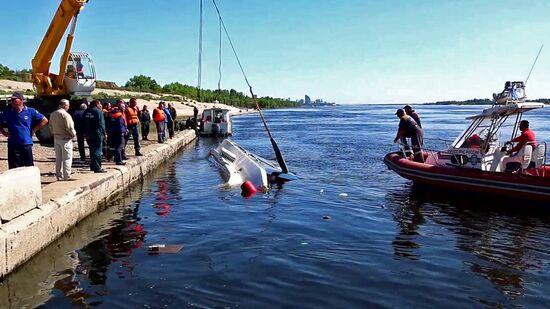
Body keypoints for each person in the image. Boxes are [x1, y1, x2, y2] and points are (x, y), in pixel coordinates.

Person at [0, 92, 48, 169]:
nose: (12, 102)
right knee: (14, 168)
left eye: (14, 100)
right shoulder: (8, 112)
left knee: (28, 167)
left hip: (26, 144)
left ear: (21, 100)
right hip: (13, 144)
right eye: (11, 100)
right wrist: (4, 133)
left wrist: (34, 130)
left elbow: (44, 120)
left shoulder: (30, 111)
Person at [49, 99, 77, 180]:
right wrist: (73, 135)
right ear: (65, 105)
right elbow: (70, 127)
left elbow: (50, 126)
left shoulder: (53, 114)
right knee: (67, 158)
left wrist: (54, 133)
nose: (68, 107)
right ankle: (67, 176)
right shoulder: (66, 115)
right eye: (68, 106)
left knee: (58, 158)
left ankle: (59, 175)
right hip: (65, 138)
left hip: (56, 138)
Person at [84, 100, 107, 173]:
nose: (101, 105)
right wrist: (104, 133)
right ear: (97, 104)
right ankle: (97, 167)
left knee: (92, 150)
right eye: (100, 104)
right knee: (97, 150)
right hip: (97, 133)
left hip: (88, 133)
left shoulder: (86, 111)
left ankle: (92, 166)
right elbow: (101, 124)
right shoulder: (98, 112)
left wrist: (85, 133)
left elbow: (83, 123)